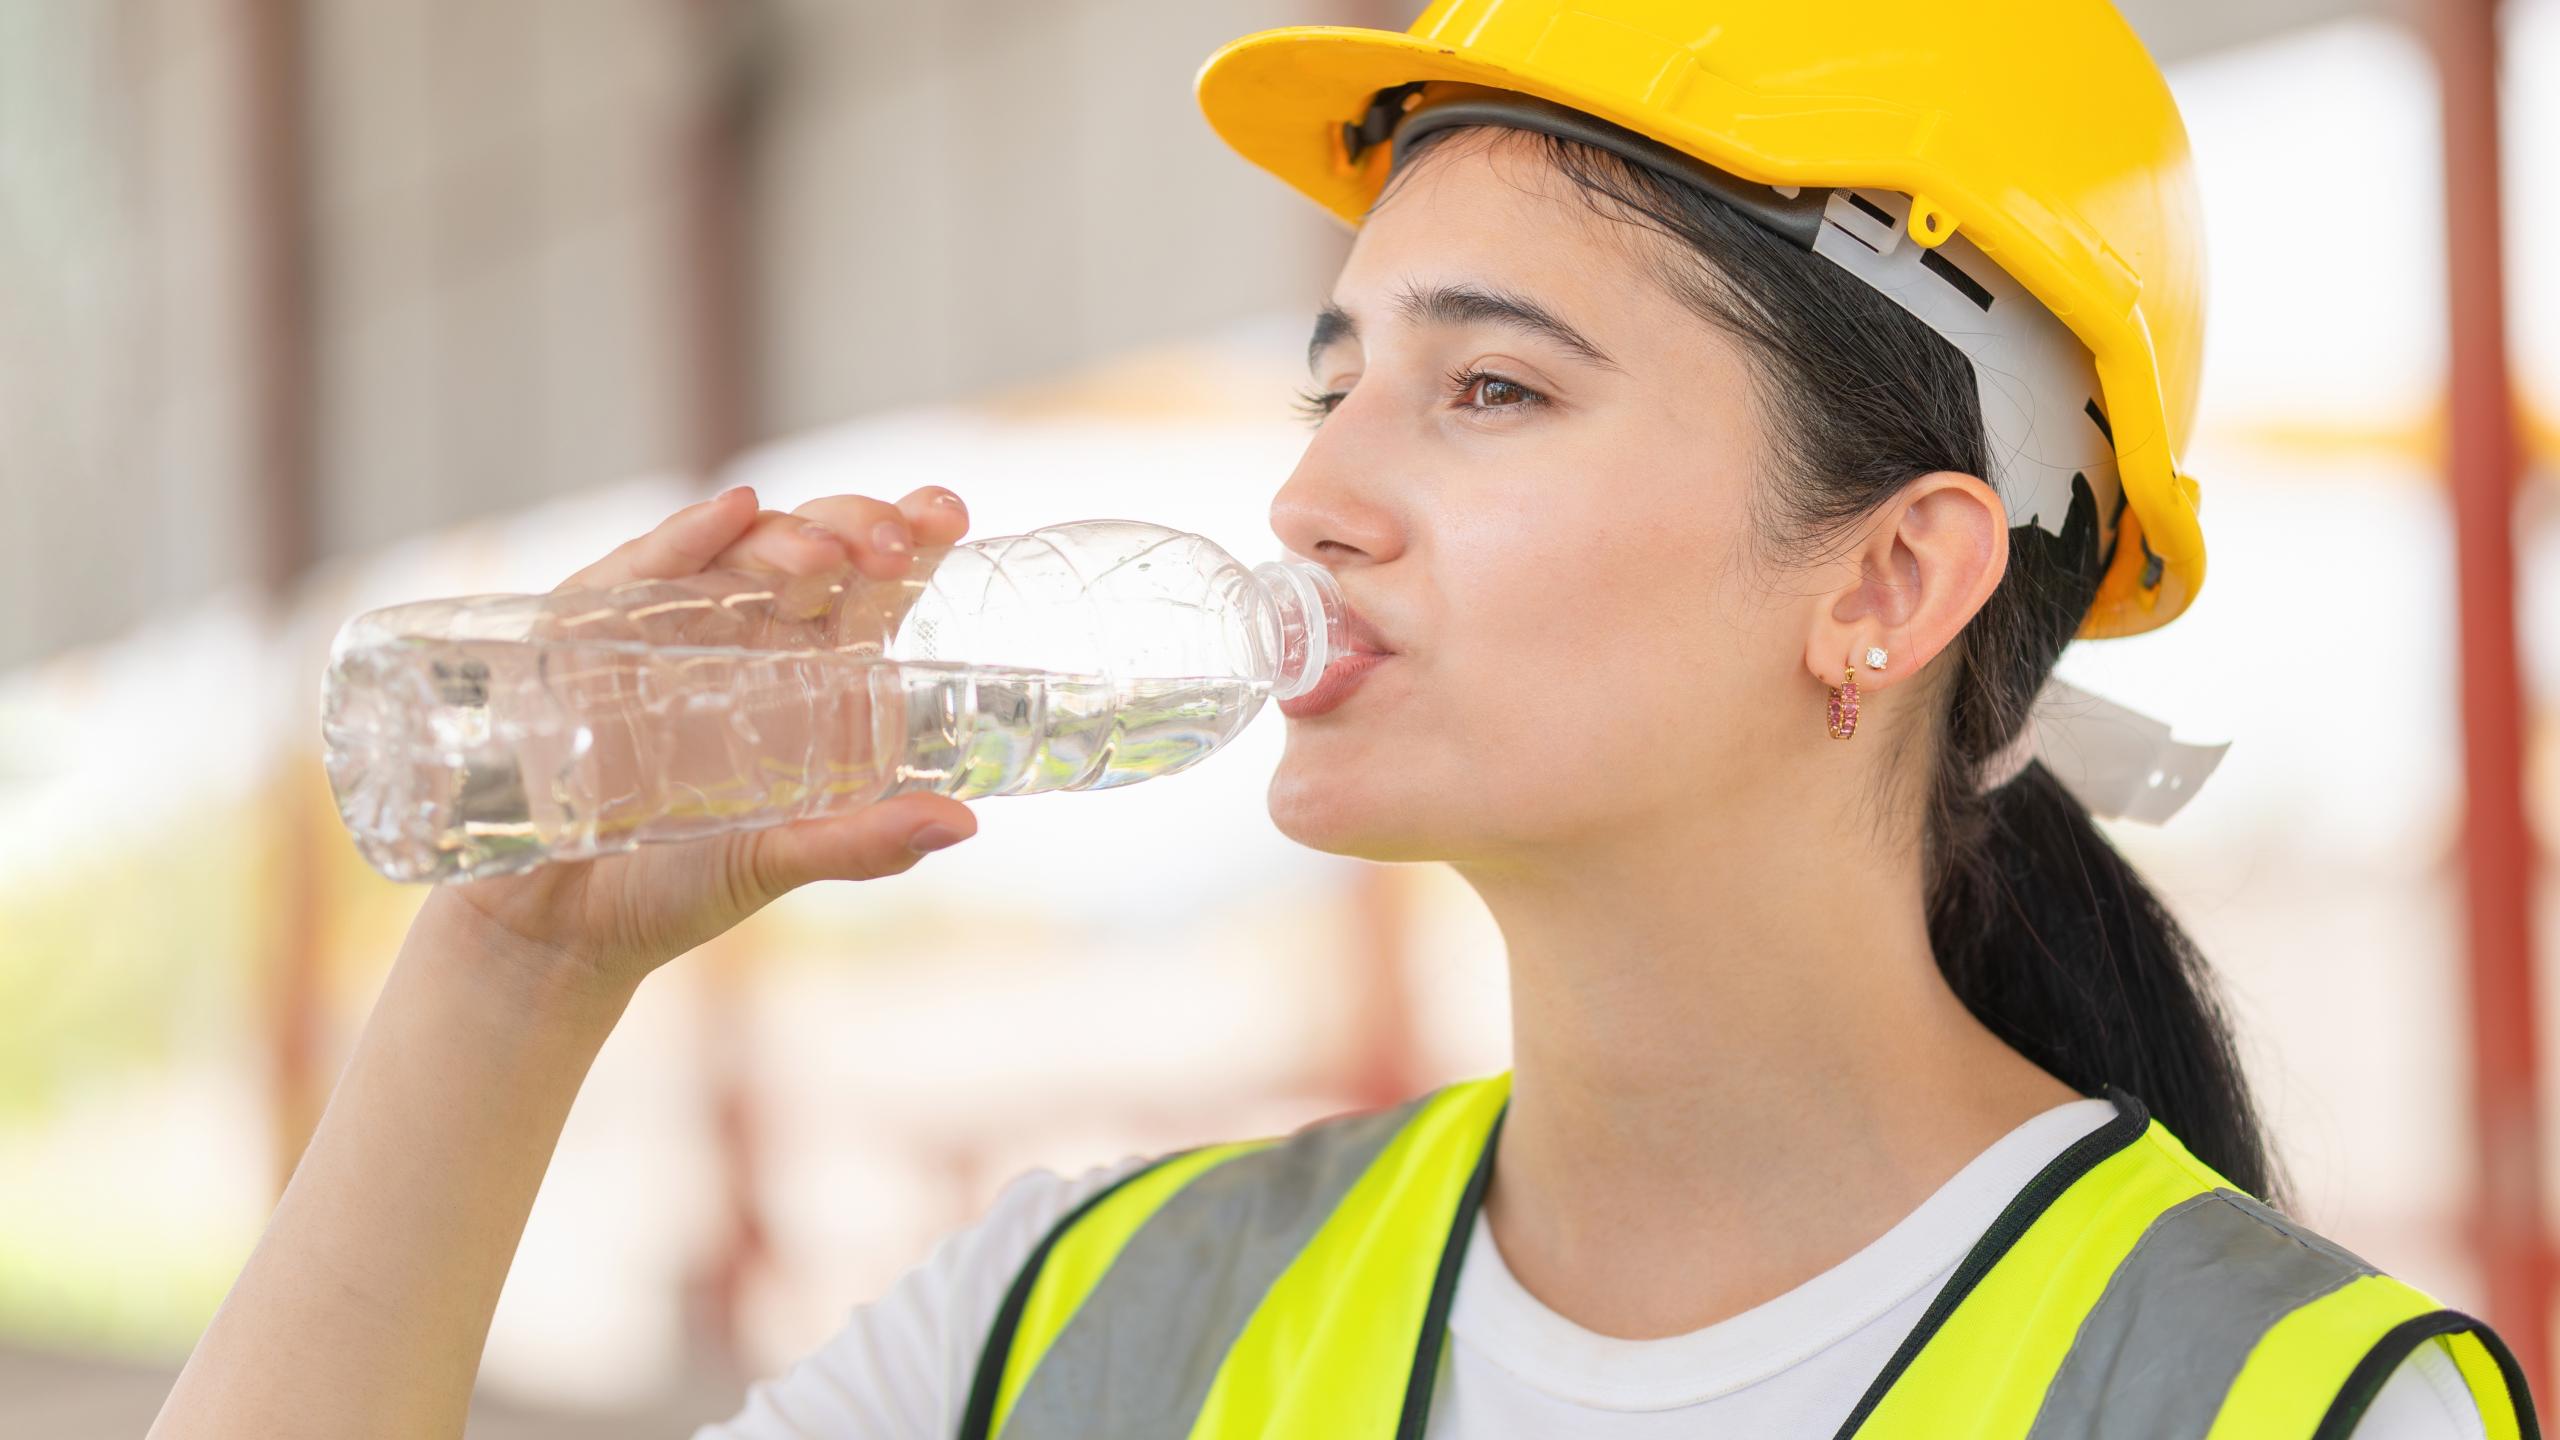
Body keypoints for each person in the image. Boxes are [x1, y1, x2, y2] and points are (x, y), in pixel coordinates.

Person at [151, 1, 2537, 1437]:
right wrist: (515, 976)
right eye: (1333, 372)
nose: (1310, 496)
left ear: (1889, 578)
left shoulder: (2279, 1402)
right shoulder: (1081, 1328)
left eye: (1489, 387)